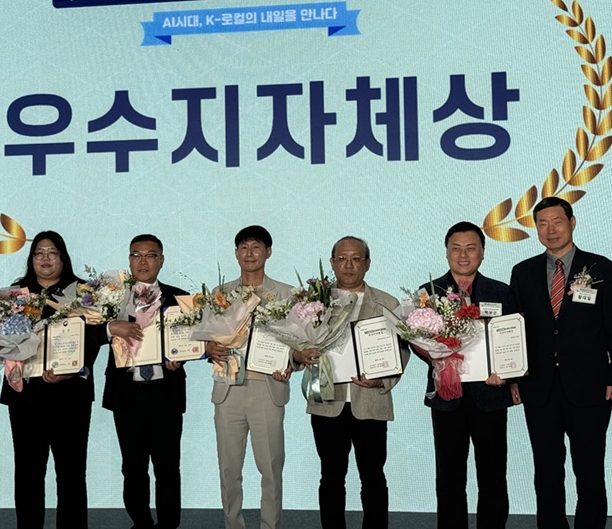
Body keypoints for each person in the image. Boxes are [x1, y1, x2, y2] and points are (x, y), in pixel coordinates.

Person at [0, 230, 140, 529]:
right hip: (26, 396)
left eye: (52, 253)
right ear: (31, 259)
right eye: (39, 253)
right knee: (28, 472)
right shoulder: (15, 295)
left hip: (71, 396)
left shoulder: (84, 293)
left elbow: (94, 336)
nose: (45, 258)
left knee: (71, 473)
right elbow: (4, 339)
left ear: (63, 258)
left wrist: (74, 369)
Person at [510, 197, 612, 529]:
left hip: (591, 387)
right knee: (547, 471)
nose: (550, 230)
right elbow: (515, 331)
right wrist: (513, 377)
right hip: (539, 388)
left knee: (590, 470)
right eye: (542, 224)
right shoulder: (522, 272)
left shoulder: (601, 269)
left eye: (557, 222)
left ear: (572, 222)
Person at [293, 236, 408, 529]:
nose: (348, 265)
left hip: (369, 402)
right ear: (332, 263)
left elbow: (402, 351)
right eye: (342, 259)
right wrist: (299, 354)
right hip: (327, 402)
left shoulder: (387, 303)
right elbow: (296, 343)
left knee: (373, 477)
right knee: (331, 477)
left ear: (367, 264)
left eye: (356, 259)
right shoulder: (313, 303)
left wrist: (382, 379)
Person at [419, 222, 516, 529]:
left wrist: (508, 373)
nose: (463, 255)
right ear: (447, 252)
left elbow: (514, 341)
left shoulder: (502, 292)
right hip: (447, 397)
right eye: (456, 248)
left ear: (483, 253)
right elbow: (417, 342)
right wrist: (437, 358)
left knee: (493, 477)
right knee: (449, 478)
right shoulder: (428, 294)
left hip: (490, 395)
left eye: (471, 248)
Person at [205, 225, 292, 529]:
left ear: (268, 252)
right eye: (243, 247)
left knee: (271, 468)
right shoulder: (220, 294)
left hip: (266, 387)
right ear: (236, 253)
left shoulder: (286, 294)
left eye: (256, 247)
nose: (249, 253)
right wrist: (208, 348)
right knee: (229, 469)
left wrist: (291, 362)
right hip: (228, 388)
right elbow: (205, 338)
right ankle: (233, 524)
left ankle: (270, 526)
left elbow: (298, 342)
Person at [102, 234, 189, 529]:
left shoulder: (179, 298)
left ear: (161, 261)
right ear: (129, 260)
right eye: (136, 255)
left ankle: (168, 524)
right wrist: (110, 326)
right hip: (127, 393)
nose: (143, 261)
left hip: (165, 392)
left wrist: (182, 357)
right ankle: (140, 522)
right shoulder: (111, 298)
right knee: (132, 467)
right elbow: (90, 335)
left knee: (168, 467)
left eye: (150, 255)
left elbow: (193, 340)